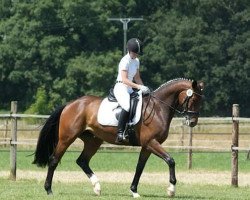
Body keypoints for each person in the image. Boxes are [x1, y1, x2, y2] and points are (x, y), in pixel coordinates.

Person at [114, 38, 150, 143]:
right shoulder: (124, 61)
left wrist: (144, 87)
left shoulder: (136, 61)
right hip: (121, 87)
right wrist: (138, 87)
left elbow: (137, 78)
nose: (137, 55)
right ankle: (120, 133)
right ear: (130, 51)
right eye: (135, 53)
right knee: (126, 106)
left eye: (138, 53)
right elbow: (125, 80)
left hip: (130, 88)